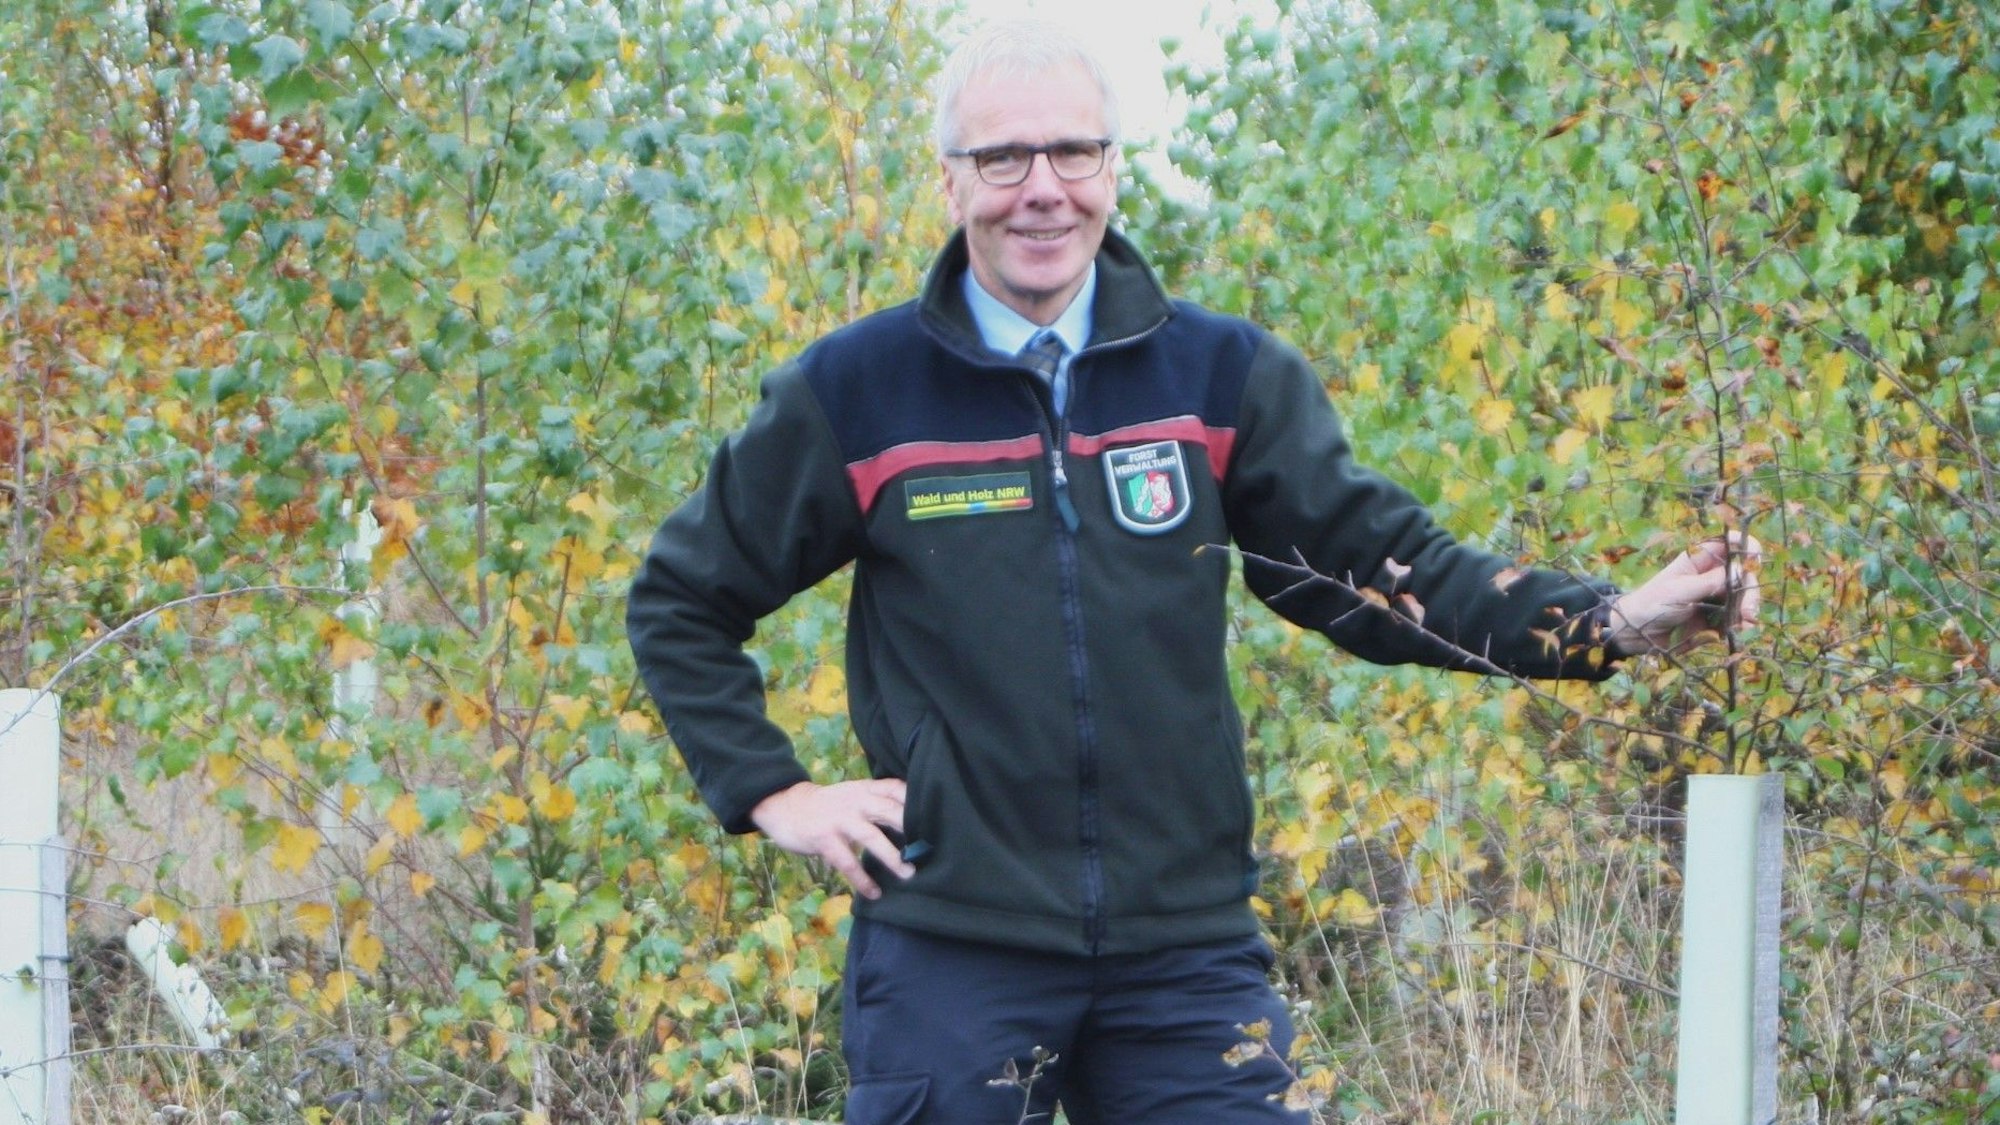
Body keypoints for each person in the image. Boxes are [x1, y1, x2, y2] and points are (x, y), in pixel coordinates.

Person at [626, 18, 1761, 1125]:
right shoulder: (857, 388)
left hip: (1184, 953)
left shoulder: (1219, 376)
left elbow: (1387, 574)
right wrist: (777, 794)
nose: (1041, 188)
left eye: (1072, 151)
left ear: (1112, 168)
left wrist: (1608, 620)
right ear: (949, 181)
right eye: (1002, 156)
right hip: (951, 949)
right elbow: (681, 597)